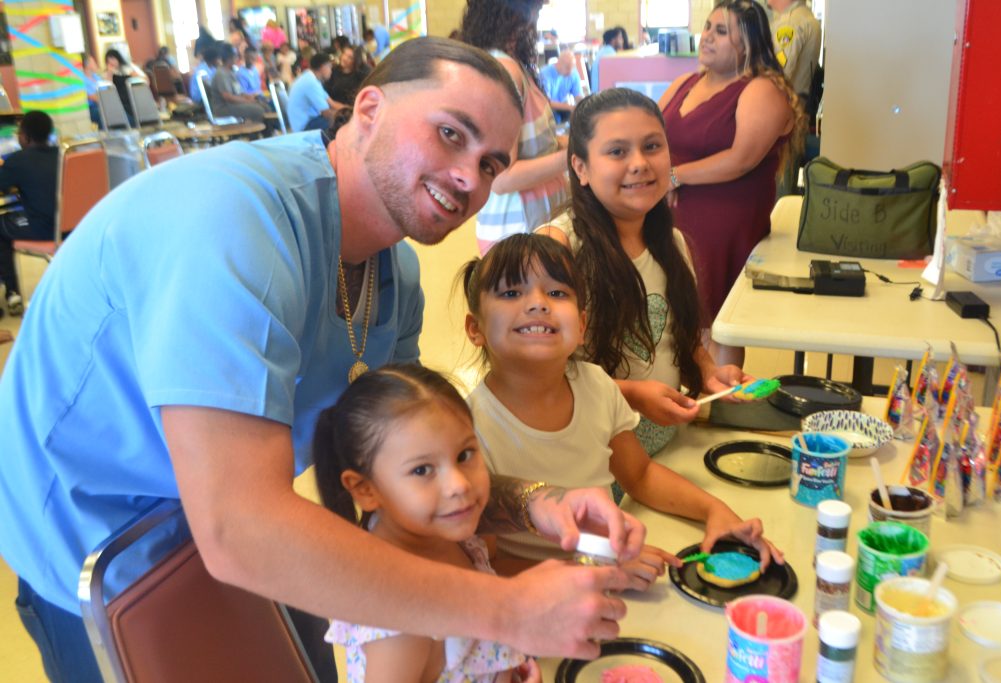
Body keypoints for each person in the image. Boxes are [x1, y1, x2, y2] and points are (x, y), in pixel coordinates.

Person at [0, 37, 642, 683]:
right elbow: (241, 527)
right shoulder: (232, 224)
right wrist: (506, 610)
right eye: (450, 134)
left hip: (246, 525)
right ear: (368, 109)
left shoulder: (395, 277)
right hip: (103, 546)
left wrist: (533, 501)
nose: (469, 177)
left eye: (490, 162)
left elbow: (393, 468)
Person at [460, 233, 782, 588]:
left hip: (615, 578)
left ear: (581, 325)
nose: (538, 304)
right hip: (541, 605)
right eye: (511, 293)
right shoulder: (468, 430)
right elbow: (489, 563)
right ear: (476, 329)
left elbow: (640, 476)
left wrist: (715, 512)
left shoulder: (596, 385)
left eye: (556, 293)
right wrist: (596, 570)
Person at [537, 88, 752, 455]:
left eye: (652, 146)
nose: (639, 163)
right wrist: (633, 395)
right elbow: (540, 376)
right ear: (581, 167)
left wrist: (708, 372)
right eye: (617, 151)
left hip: (661, 453)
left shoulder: (673, 244)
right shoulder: (558, 248)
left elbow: (676, 340)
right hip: (587, 465)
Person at [315, 365, 541, 683]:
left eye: (464, 454)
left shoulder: (447, 536)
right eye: (422, 470)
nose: (459, 485)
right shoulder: (402, 621)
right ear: (366, 490)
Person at [659, 0, 802, 367]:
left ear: (748, 45)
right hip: (671, 215)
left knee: (716, 319)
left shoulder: (760, 90)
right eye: (707, 27)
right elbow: (651, 133)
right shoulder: (684, 83)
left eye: (721, 32)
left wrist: (675, 175)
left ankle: (719, 398)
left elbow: (741, 159)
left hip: (724, 219)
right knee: (674, 314)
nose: (707, 37)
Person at [459, 0, 569, 253]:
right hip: (518, 230)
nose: (535, 22)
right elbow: (502, 178)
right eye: (536, 11)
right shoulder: (504, 69)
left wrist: (567, 144)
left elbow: (532, 143)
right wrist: (572, 156)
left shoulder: (508, 63)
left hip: (530, 223)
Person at [0, 111, 58, 316]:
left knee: (1, 226)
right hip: (73, 227)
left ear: (25, 137)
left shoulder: (18, 160)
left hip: (43, 228)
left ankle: (12, 292)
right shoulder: (62, 154)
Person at [767, 0, 821, 111]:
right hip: (795, 106)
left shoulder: (790, 22)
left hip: (783, 106)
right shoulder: (804, 16)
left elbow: (778, 73)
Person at [210, 42, 267, 123]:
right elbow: (228, 97)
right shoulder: (221, 74)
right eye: (235, 55)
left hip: (232, 104)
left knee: (264, 105)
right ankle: (253, 134)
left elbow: (239, 92)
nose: (237, 58)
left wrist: (251, 98)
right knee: (258, 110)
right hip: (223, 108)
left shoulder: (231, 72)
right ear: (229, 57)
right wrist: (249, 101)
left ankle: (267, 132)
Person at [287, 52, 343, 131]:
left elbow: (332, 103)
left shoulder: (311, 78)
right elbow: (326, 113)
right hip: (305, 127)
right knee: (339, 123)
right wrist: (346, 118)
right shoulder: (310, 82)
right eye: (330, 67)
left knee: (341, 120)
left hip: (310, 122)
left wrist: (352, 110)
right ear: (323, 67)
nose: (331, 71)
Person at [539, 47, 582, 124]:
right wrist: (570, 107)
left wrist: (583, 106)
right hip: (548, 108)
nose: (570, 72)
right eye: (567, 68)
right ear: (558, 64)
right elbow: (546, 102)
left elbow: (578, 96)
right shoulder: (545, 74)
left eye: (572, 68)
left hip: (563, 106)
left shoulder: (573, 73)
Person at [590, 27, 624, 93]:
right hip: (601, 95)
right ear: (613, 40)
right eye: (620, 37)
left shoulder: (604, 51)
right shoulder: (610, 55)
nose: (622, 40)